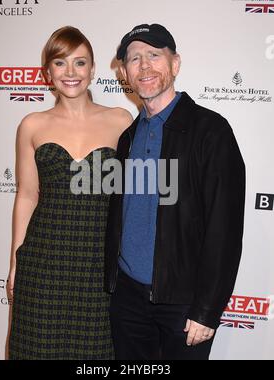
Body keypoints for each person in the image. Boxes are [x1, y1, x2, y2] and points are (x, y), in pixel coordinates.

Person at [104, 24, 246, 360]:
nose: (145, 66)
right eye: (134, 58)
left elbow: (224, 230)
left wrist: (207, 310)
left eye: (154, 55)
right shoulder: (127, 138)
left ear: (175, 64)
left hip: (183, 303)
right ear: (124, 72)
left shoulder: (211, 131)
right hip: (127, 300)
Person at [6, 26, 133, 360]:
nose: (71, 72)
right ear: (48, 72)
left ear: (93, 70)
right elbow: (27, 196)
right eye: (60, 63)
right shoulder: (32, 124)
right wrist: (16, 262)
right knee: (37, 348)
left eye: (80, 63)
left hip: (97, 264)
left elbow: (131, 197)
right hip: (44, 261)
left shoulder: (120, 121)